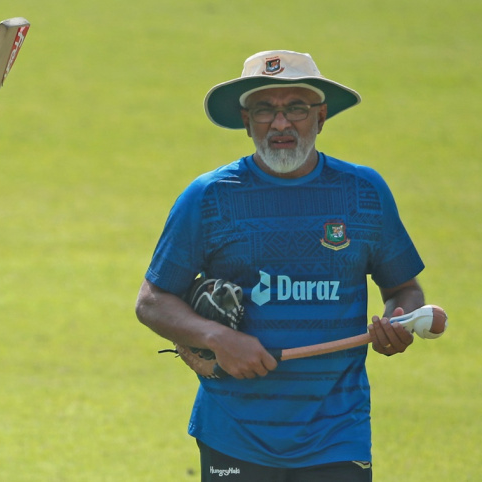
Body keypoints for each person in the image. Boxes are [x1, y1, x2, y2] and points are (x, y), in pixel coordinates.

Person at [135, 50, 425, 481]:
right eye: (265, 109)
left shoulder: (364, 193)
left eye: (296, 108)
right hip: (234, 433)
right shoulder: (208, 197)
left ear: (321, 117)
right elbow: (152, 300)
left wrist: (399, 322)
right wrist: (217, 337)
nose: (281, 123)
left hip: (336, 433)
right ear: (246, 120)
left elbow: (404, 289)